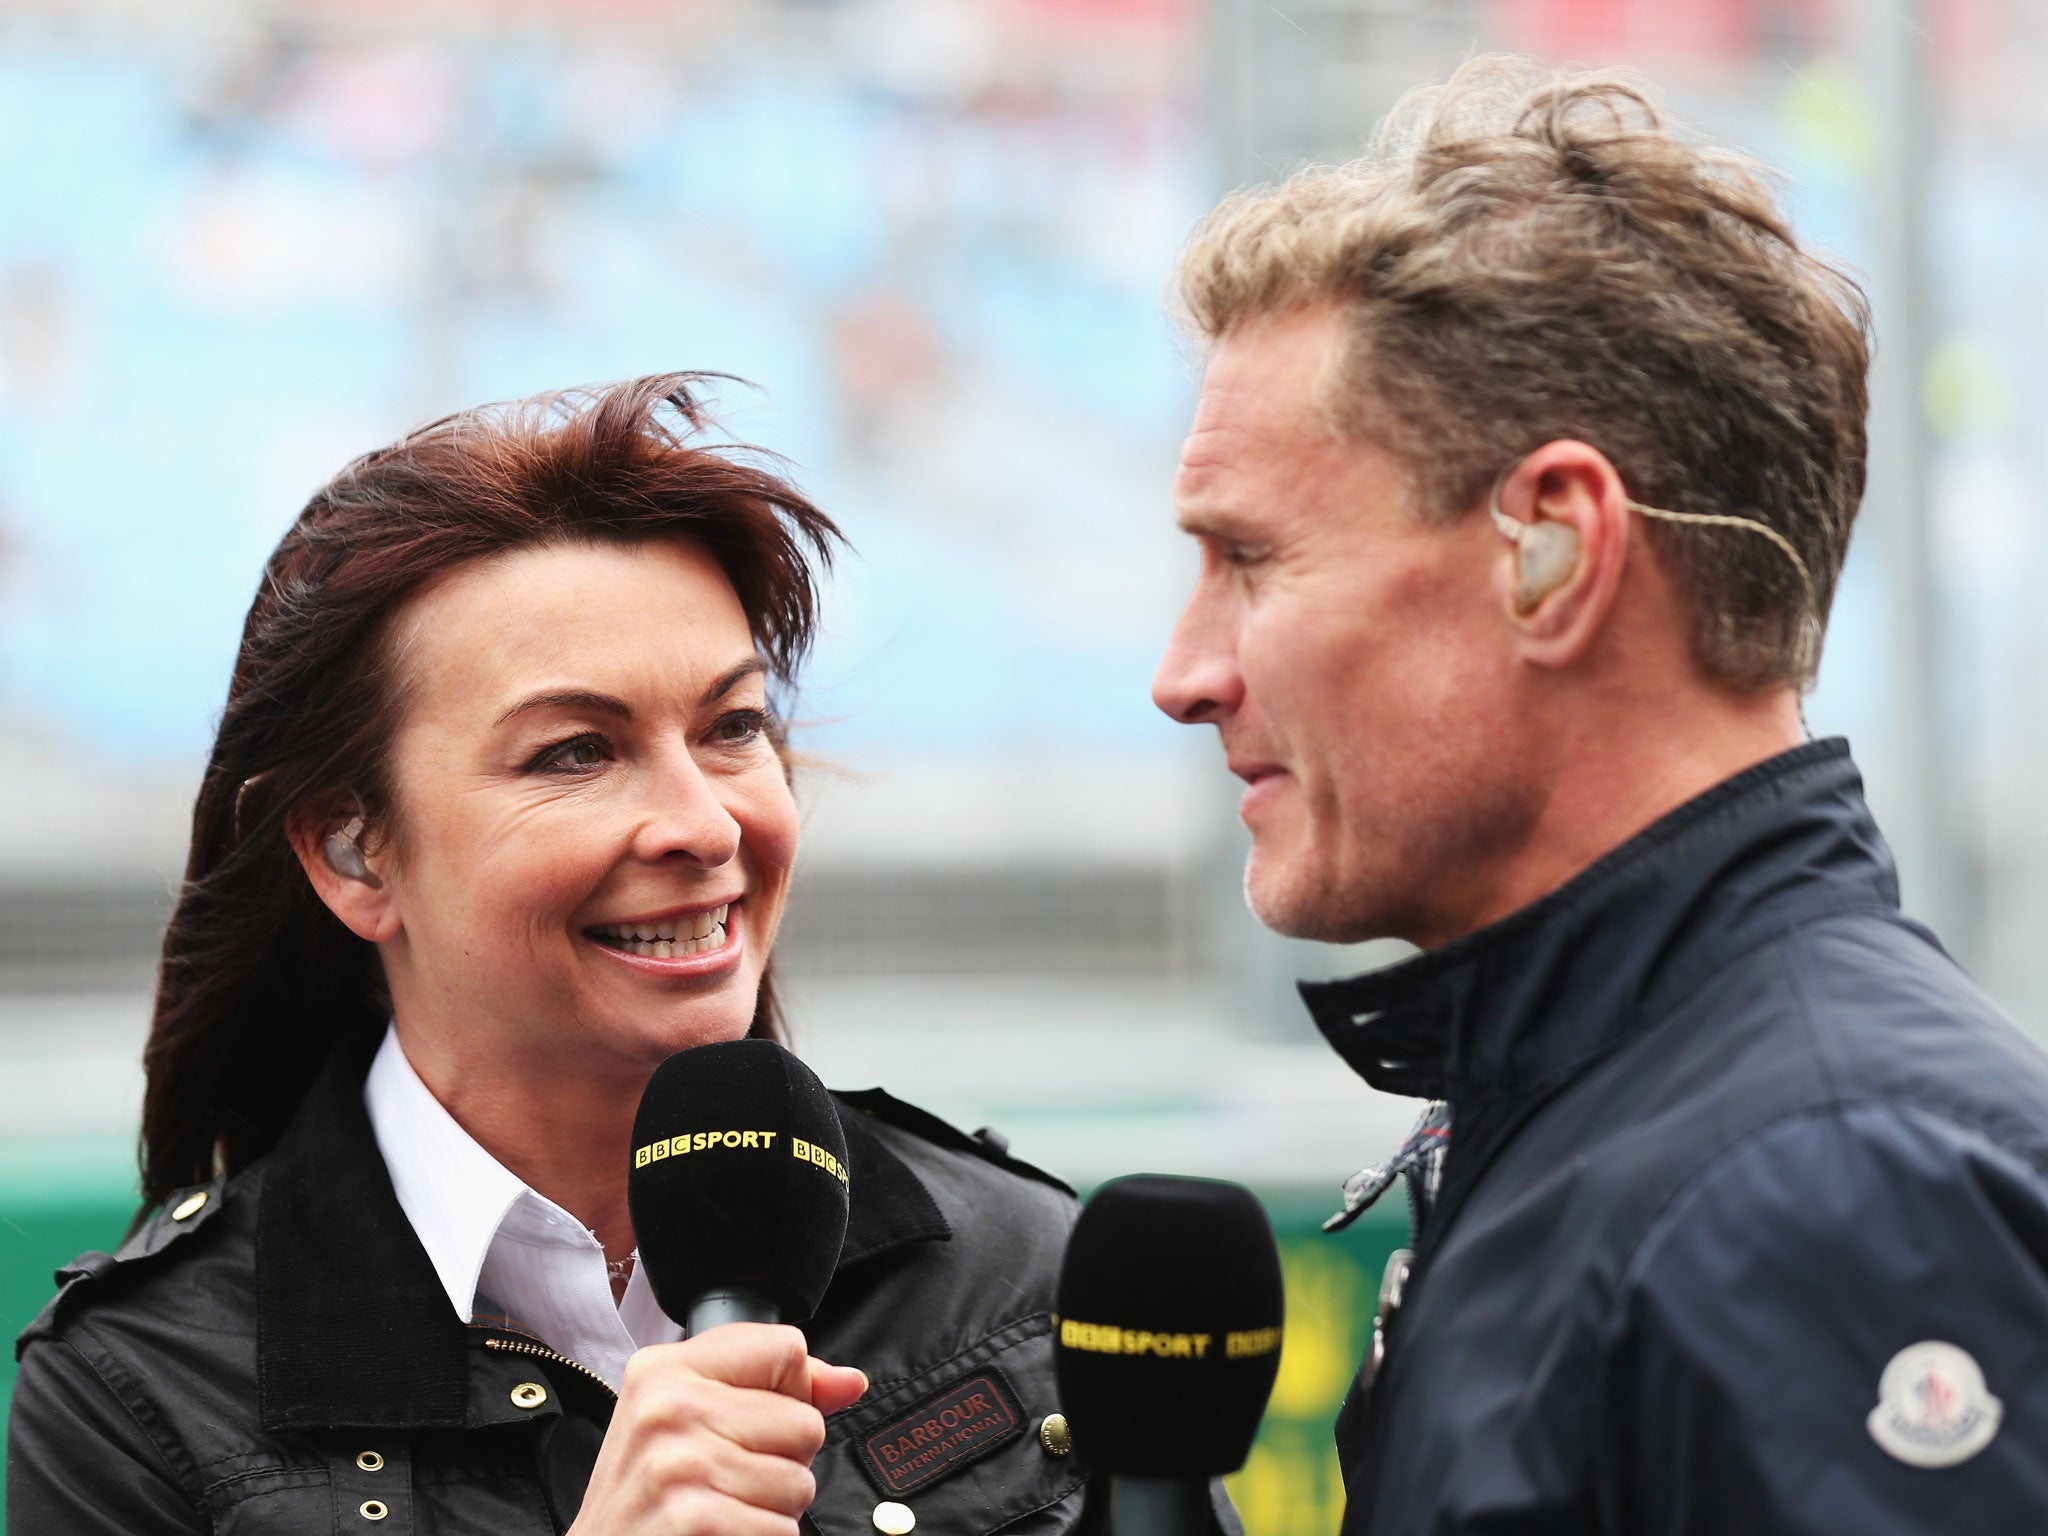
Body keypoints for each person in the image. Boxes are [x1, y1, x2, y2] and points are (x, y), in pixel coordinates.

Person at [1150, 55, 2048, 1534]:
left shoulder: (1821, 1190)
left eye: (1249, 561)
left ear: (1551, 548)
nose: (1184, 673)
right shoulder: (1636, 1116)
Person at [7, 375, 1104, 1535]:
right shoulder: (139, 1394)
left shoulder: (1019, 1267)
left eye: (732, 727)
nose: (706, 825)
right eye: (577, 752)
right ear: (351, 853)